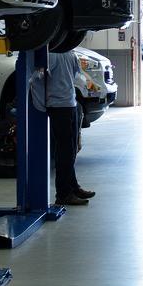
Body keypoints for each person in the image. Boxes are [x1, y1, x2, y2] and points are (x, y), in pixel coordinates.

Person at [30, 49, 96, 207]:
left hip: (70, 103)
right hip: (58, 106)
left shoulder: (69, 53)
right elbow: (35, 78)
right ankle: (63, 194)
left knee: (71, 150)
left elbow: (73, 75)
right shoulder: (51, 55)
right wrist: (43, 103)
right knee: (64, 151)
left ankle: (73, 187)